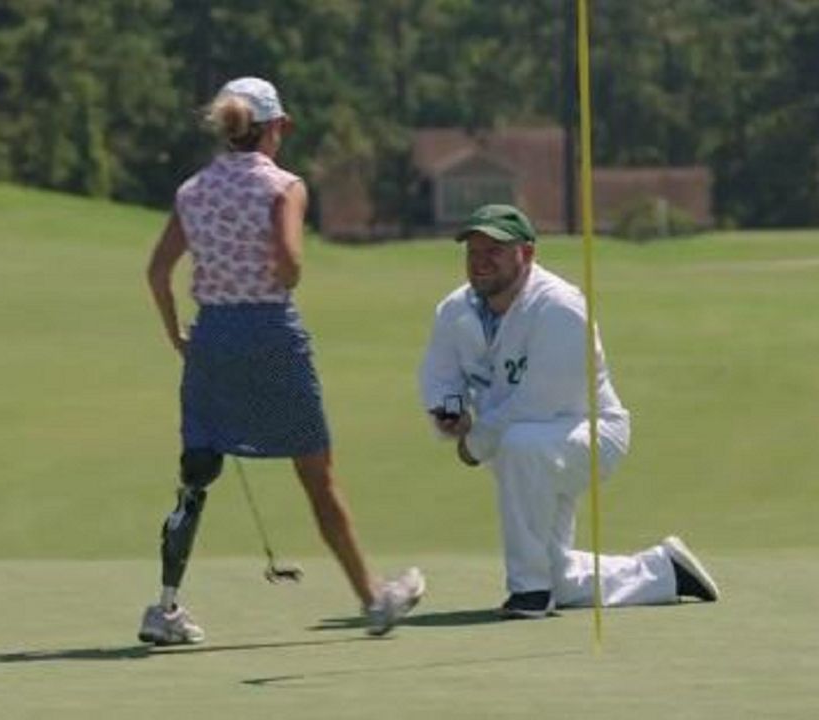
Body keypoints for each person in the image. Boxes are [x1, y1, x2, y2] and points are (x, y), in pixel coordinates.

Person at [140, 77, 424, 644]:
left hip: (212, 339)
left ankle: (165, 609)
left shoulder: (193, 190)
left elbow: (157, 272)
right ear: (275, 127)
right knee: (316, 475)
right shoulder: (285, 187)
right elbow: (291, 266)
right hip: (270, 333)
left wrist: (179, 337)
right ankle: (372, 600)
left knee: (195, 477)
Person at [418, 203, 720, 619]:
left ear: (526, 254)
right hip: (519, 445)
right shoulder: (454, 310)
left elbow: (535, 404)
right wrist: (449, 414)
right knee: (559, 574)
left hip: (589, 432)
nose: (480, 261)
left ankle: (528, 592)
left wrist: (474, 443)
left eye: (495, 251)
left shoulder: (560, 308)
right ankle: (664, 571)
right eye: (473, 251)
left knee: (522, 444)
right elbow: (440, 376)